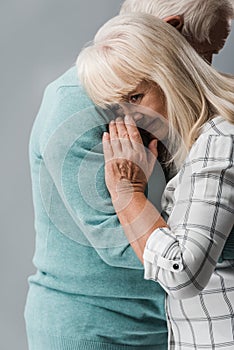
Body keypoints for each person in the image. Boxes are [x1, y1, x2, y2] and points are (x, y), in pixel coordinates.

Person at [24, 1, 234, 350]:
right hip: (95, 330)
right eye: (204, 53)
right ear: (171, 29)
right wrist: (208, 241)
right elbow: (119, 241)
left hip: (171, 323)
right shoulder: (78, 105)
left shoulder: (194, 116)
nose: (204, 69)